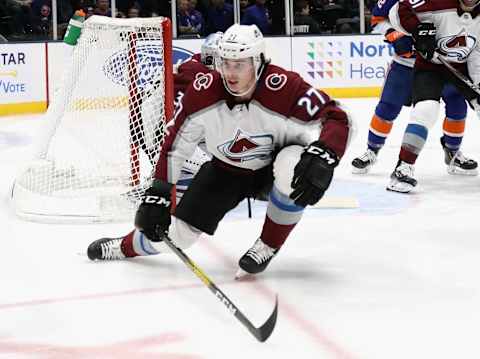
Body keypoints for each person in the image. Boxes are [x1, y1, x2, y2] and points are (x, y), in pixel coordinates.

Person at [87, 24, 352, 277]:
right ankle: (122, 246)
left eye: (240, 65)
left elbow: (337, 116)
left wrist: (326, 154)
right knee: (180, 235)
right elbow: (175, 145)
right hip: (226, 171)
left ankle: (268, 245)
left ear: (258, 62)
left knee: (292, 167)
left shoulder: (284, 86)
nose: (231, 73)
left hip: (274, 165)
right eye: (226, 63)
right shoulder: (203, 92)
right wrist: (158, 190)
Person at [351, 0, 477, 180]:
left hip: (444, 63)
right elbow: (378, 21)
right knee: (388, 107)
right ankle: (371, 150)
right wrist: (396, 36)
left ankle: (453, 153)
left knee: (457, 108)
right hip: (406, 64)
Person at [385, 0, 480, 192]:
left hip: (465, 67)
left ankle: (452, 155)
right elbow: (397, 11)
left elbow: (477, 51)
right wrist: (417, 29)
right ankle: (403, 167)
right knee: (426, 109)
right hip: (430, 67)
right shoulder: (437, 2)